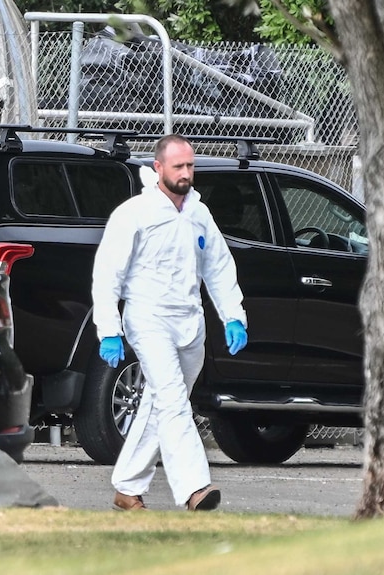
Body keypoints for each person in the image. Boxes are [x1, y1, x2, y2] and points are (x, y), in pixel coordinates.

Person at [91, 134, 248, 512]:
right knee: (174, 400)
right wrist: (109, 328)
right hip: (148, 318)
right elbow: (108, 272)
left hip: (190, 322)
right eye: (178, 166)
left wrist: (233, 316)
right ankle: (195, 489)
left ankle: (127, 488)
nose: (186, 173)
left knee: (161, 402)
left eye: (190, 166)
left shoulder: (198, 213)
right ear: (158, 167)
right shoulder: (135, 213)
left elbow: (219, 267)